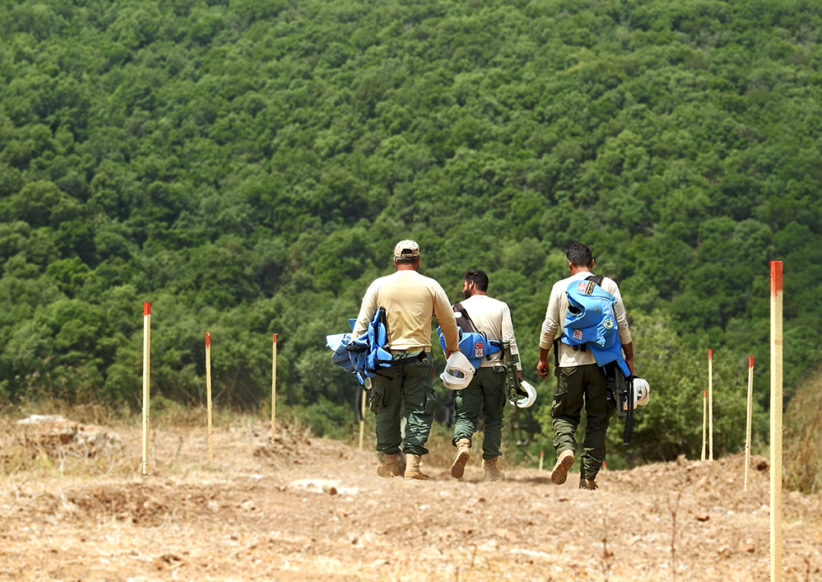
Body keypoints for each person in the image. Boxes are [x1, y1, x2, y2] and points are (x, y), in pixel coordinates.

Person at [352, 240, 459, 480]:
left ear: (395, 260)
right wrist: (451, 348)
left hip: (385, 359)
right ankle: (413, 466)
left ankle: (390, 465)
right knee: (419, 409)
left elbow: (361, 323)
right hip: (419, 356)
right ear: (418, 260)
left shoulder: (379, 285)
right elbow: (448, 321)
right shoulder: (430, 285)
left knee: (386, 408)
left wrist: (355, 355)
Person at [536, 243, 633, 490]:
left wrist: (543, 357)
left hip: (569, 362)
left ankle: (566, 449)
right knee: (598, 419)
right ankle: (588, 477)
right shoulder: (608, 285)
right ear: (593, 263)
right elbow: (621, 324)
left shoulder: (560, 287)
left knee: (565, 413)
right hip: (603, 364)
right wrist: (629, 357)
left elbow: (549, 326)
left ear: (570, 265)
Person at [449, 269, 522, 482]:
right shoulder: (500, 307)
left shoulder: (456, 309)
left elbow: (449, 341)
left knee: (465, 414)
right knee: (493, 418)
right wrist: (517, 371)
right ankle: (490, 467)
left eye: (464, 284)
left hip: (466, 370)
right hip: (496, 368)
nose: (463, 288)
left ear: (471, 284)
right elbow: (509, 341)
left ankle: (463, 444)